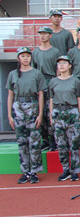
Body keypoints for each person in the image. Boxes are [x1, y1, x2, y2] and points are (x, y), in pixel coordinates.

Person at [7, 47, 46, 184]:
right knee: (22, 142)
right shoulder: (13, 74)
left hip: (32, 106)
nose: (25, 58)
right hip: (18, 107)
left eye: (27, 56)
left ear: (31, 58)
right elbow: (10, 95)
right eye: (22, 56)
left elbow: (41, 94)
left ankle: (34, 171)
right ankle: (26, 171)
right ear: (18, 58)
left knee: (34, 141)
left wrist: (40, 114)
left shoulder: (36, 73)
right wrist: (9, 115)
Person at [48, 55, 80, 181]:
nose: (61, 65)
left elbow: (79, 99)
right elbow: (51, 99)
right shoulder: (53, 82)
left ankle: (75, 170)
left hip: (72, 111)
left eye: (64, 63)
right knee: (61, 144)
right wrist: (51, 115)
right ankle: (65, 169)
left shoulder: (75, 81)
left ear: (69, 66)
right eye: (59, 63)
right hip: (58, 112)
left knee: (74, 143)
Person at [32, 26, 60, 151]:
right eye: (41, 34)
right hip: (39, 82)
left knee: (51, 112)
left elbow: (58, 69)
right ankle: (45, 139)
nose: (43, 36)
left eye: (45, 33)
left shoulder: (55, 52)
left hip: (51, 81)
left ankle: (53, 139)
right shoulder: (35, 52)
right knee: (40, 112)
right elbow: (33, 70)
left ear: (50, 35)